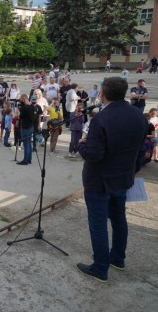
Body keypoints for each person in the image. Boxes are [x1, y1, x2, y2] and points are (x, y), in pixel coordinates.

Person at [77, 76, 147, 282]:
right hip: (123, 179)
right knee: (118, 219)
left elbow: (94, 155)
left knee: (98, 224)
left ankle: (100, 267)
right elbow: (140, 150)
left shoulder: (101, 119)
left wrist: (82, 144)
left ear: (103, 94)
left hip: (99, 182)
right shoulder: (138, 115)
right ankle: (117, 258)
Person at [16, 95, 35, 165]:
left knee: (26, 144)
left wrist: (19, 110)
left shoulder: (24, 108)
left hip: (25, 127)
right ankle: (29, 159)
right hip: (31, 126)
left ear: (23, 100)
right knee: (29, 143)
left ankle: (25, 160)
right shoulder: (32, 106)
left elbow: (20, 117)